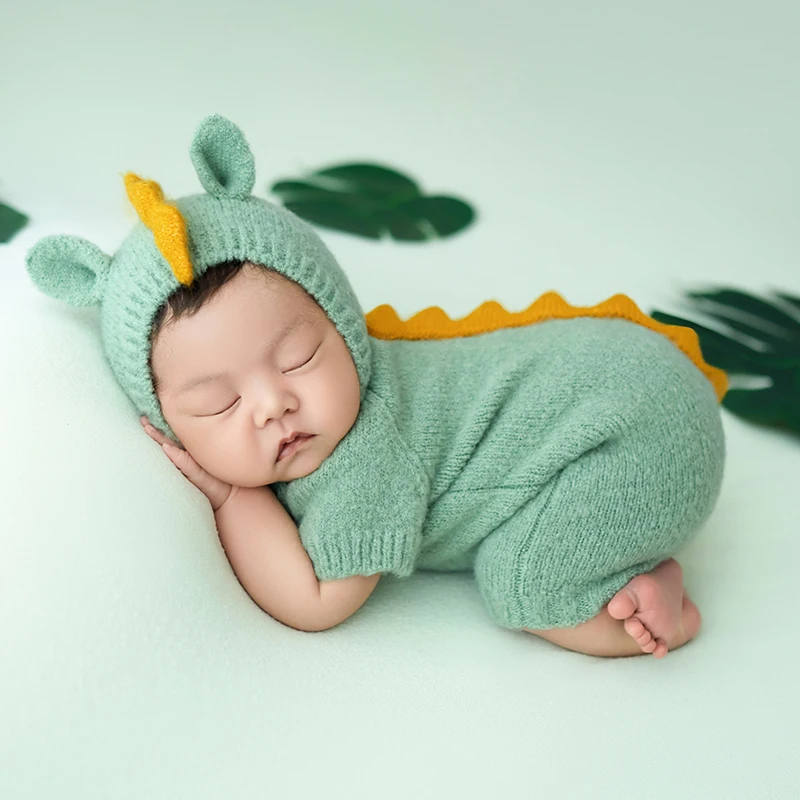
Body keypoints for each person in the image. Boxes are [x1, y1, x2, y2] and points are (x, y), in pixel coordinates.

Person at [25, 114, 727, 658]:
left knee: (525, 584)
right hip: (622, 388)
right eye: (220, 404)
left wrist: (232, 493)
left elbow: (317, 601)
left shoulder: (363, 456)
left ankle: (667, 607)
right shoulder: (326, 412)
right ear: (166, 419)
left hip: (641, 435)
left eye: (299, 357)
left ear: (343, 325)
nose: (274, 405)